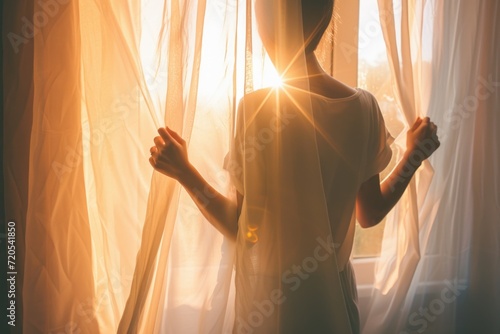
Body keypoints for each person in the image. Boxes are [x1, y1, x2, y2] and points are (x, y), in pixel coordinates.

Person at [149, 0, 439, 333]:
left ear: (272, 20)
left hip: (275, 307)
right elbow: (369, 213)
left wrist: (184, 172)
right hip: (335, 306)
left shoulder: (258, 109)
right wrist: (412, 157)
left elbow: (242, 229)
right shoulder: (364, 107)